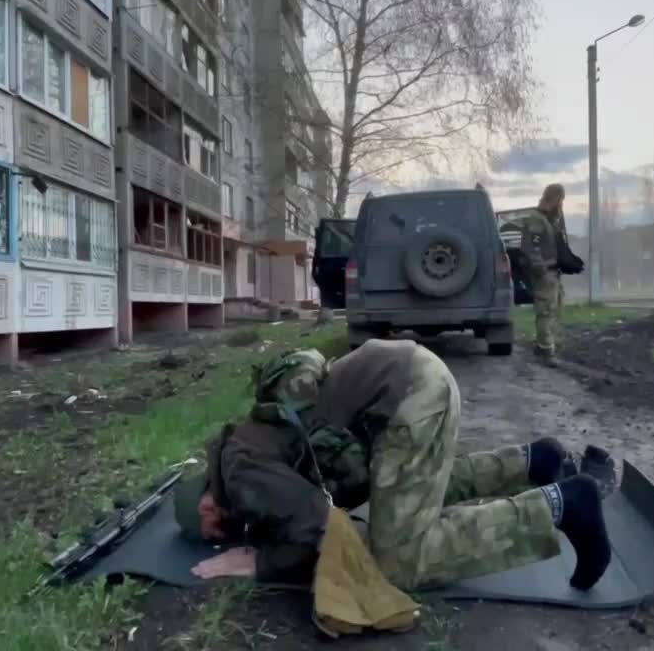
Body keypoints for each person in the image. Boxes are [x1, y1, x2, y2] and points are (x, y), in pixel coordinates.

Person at [173, 339, 613, 592]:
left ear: (208, 507)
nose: (222, 536)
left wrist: (262, 562)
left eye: (212, 531)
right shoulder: (248, 444)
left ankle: (564, 505)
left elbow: (319, 524)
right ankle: (535, 461)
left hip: (409, 398)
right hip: (412, 379)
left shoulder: (242, 472)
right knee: (406, 491)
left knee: (398, 561)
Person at [522, 183, 569, 365]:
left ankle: (542, 345)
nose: (561, 204)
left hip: (551, 271)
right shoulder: (537, 219)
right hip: (544, 272)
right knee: (545, 311)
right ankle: (546, 350)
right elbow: (531, 248)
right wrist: (540, 268)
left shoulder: (548, 219)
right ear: (556, 198)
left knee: (551, 310)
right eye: (560, 200)